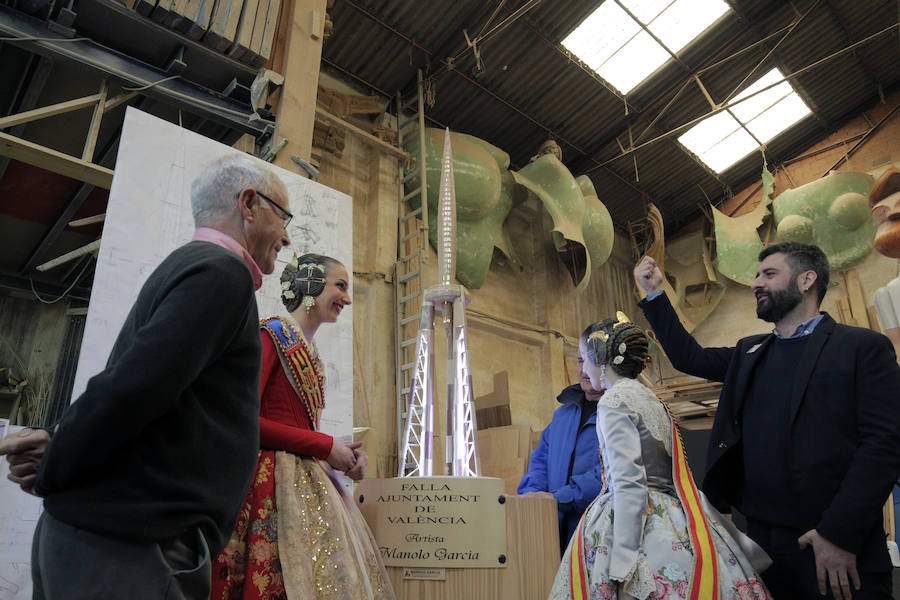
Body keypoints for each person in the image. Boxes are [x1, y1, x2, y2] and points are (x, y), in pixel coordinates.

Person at [0, 153, 292, 599]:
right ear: (249, 204)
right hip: (126, 546)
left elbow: (143, 387)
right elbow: (134, 388)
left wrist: (59, 444)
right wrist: (57, 456)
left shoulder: (193, 267)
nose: (287, 236)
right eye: (283, 215)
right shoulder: (221, 274)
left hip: (112, 539)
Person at [635, 242, 900, 600]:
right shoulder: (750, 353)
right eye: (757, 275)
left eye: (769, 274)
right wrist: (654, 293)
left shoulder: (860, 347)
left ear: (807, 280)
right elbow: (688, 357)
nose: (756, 283)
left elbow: (883, 445)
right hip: (759, 546)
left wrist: (838, 534)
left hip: (830, 544)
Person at [211, 253, 395, 600]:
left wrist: (342, 455)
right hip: (268, 484)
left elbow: (295, 423)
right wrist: (326, 447)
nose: (347, 297)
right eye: (340, 285)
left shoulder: (308, 352)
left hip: (302, 480)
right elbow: (244, 419)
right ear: (311, 286)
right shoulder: (270, 336)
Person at [549, 314, 771, 600]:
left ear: (601, 358)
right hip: (672, 514)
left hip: (633, 519)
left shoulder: (614, 401)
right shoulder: (652, 398)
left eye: (583, 357)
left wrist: (622, 562)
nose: (582, 369)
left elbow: (629, 482)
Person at [518, 324, 607, 556]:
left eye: (591, 360)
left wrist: (556, 499)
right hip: (551, 529)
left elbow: (606, 476)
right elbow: (540, 462)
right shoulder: (563, 414)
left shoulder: (616, 413)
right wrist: (531, 495)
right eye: (579, 361)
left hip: (595, 534)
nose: (584, 370)